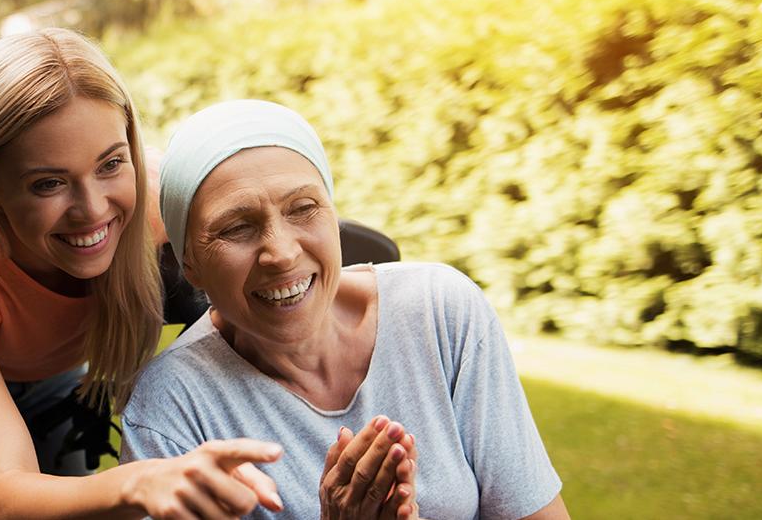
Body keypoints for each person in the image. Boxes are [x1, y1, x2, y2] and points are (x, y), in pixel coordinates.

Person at [0, 30, 288, 519]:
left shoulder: (157, 198)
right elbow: (10, 492)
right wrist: (141, 479)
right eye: (48, 183)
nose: (92, 211)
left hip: (55, 375)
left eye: (110, 163)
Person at [121, 100, 569, 519]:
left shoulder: (441, 312)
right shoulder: (171, 408)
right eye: (237, 228)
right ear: (191, 265)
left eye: (303, 208)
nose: (280, 253)